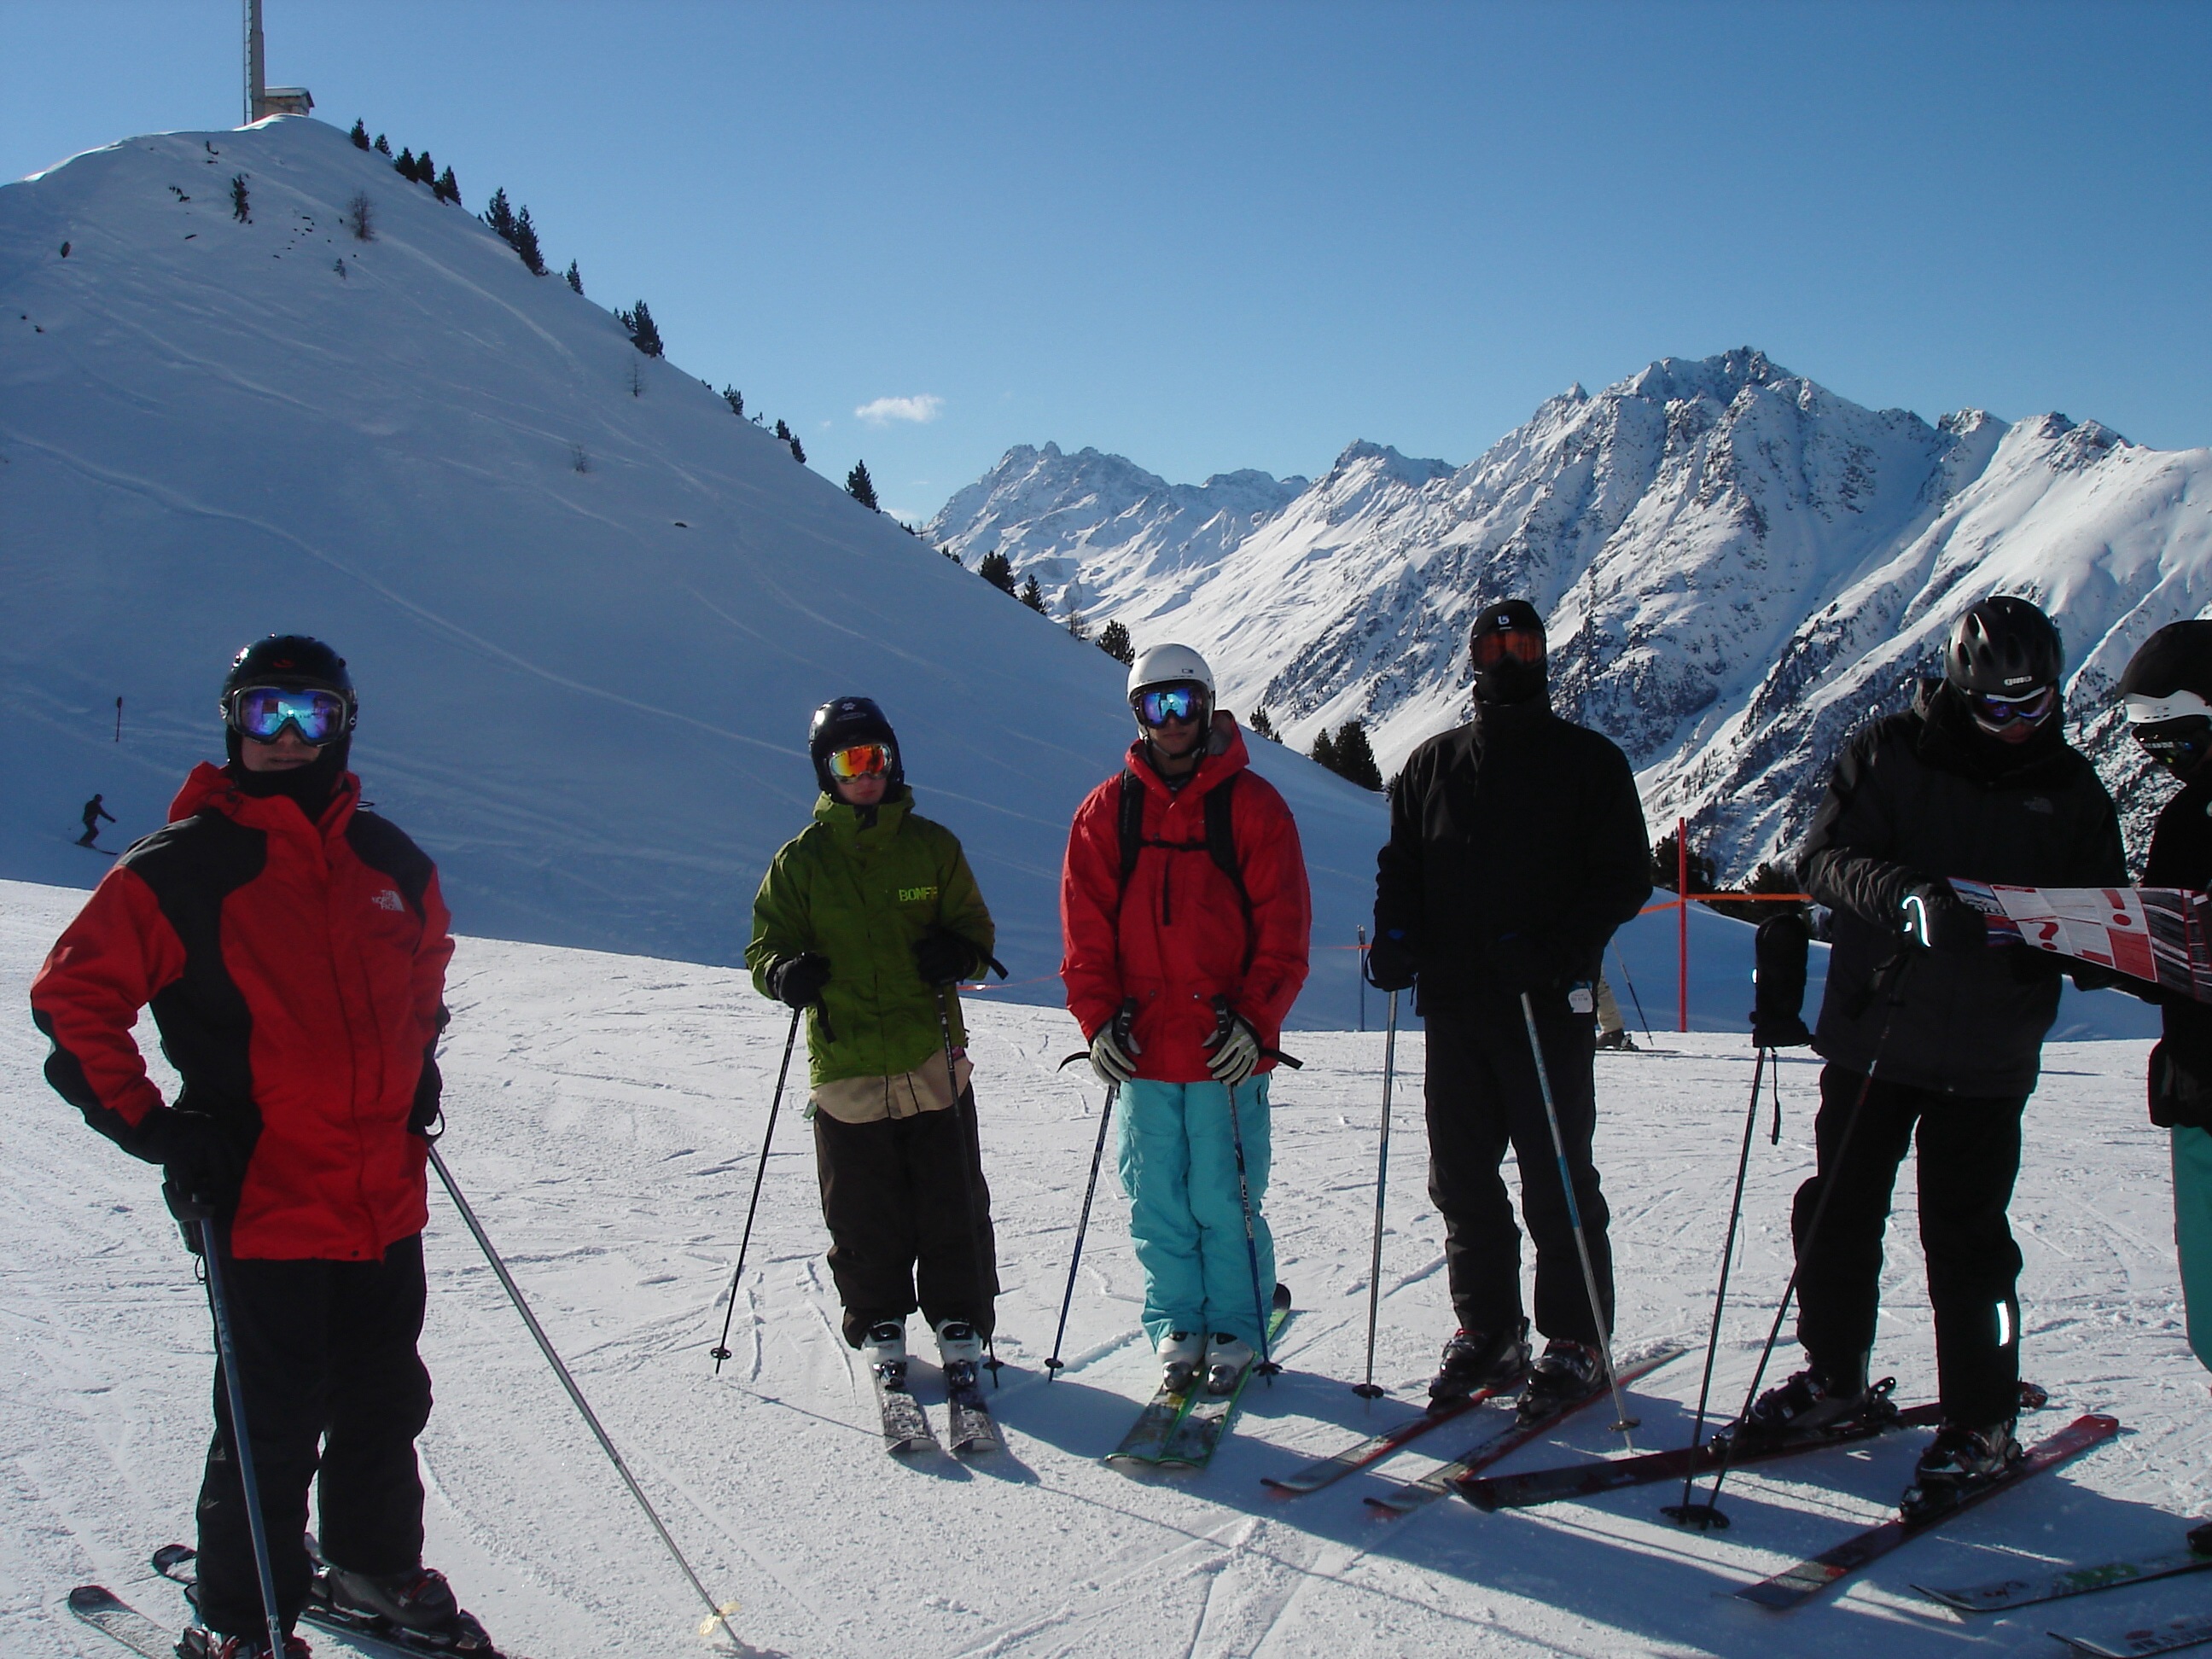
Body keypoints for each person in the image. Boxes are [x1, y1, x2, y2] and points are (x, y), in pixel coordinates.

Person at [29, 636, 482, 1659]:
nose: (283, 738)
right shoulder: (186, 866)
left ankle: (373, 1565)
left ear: (344, 724)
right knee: (268, 1424)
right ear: (231, 725)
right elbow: (73, 999)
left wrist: (416, 1067)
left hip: (380, 1196)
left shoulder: (391, 863)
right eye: (261, 714)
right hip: (259, 1194)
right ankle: (238, 1624)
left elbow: (424, 968)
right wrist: (155, 1127)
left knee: (383, 1401)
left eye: (308, 716)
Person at [1747, 596, 2125, 1511]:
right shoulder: (1891, 753)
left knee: (1969, 1246)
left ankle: (1984, 1419)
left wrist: (2082, 943)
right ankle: (1834, 1374)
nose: (2016, 726)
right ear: (1961, 691)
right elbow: (1825, 860)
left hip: (1990, 1053)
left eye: (2035, 707)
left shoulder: (2072, 790)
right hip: (1878, 1034)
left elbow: (2104, 908)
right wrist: (1907, 897)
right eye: (1998, 707)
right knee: (1836, 1214)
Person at [1367, 599, 1651, 1419]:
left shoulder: (1588, 763)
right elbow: (1404, 865)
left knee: (1556, 1174)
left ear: (1545, 657)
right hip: (1455, 1005)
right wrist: (1394, 936)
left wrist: (1560, 949)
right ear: (1473, 660)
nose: (1509, 658)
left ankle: (1574, 1338)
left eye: (1523, 643)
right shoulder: (1433, 765)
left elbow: (1624, 876)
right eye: (1494, 644)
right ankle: (1490, 1329)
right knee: (1460, 1177)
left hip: (1544, 1007)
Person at [1061, 643, 1310, 1393]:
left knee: (1222, 1195)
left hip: (1223, 1046)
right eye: (1152, 706)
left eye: (1183, 704)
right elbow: (1085, 934)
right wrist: (1099, 1023)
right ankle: (1176, 1323)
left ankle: (1237, 1319)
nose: (1170, 721)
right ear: (1136, 715)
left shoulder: (1253, 807)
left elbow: (1284, 933)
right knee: (1157, 1196)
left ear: (1206, 706)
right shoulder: (1109, 812)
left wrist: (1255, 1023)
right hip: (1142, 1050)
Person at [746, 696, 1000, 1388]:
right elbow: (764, 945)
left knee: (951, 1201)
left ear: (894, 762)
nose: (865, 774)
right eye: (849, 761)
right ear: (825, 774)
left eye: (876, 758)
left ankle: (961, 1319)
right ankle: (879, 1317)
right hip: (848, 1068)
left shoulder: (932, 847)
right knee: (862, 1211)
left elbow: (977, 935)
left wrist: (958, 954)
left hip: (931, 1061)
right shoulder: (800, 863)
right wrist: (784, 973)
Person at [2120, 620, 2212, 1552]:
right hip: (2198, 1089)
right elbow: (2162, 951)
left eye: (2172, 736)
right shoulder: (2185, 823)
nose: (2158, 756)